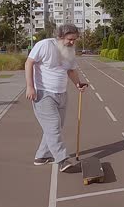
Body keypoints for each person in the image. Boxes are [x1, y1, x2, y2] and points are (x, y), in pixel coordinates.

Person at [25, 24, 87, 172]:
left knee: (55, 128)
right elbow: (29, 63)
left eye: (75, 40)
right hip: (43, 93)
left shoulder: (70, 51)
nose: (72, 42)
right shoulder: (45, 45)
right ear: (60, 37)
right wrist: (30, 86)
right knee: (53, 127)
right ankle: (62, 160)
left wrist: (78, 84)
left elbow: (71, 71)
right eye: (70, 39)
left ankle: (42, 156)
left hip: (62, 94)